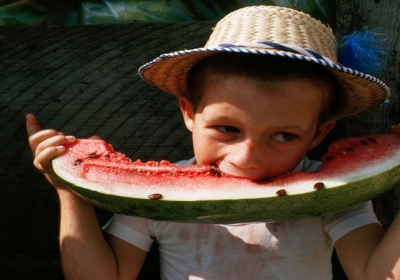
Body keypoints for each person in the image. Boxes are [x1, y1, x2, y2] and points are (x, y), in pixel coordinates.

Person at [26, 5, 400, 280]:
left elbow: (377, 274)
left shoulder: (333, 196)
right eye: (227, 129)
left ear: (320, 134)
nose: (248, 158)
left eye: (284, 136)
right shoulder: (151, 198)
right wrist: (70, 188)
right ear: (190, 113)